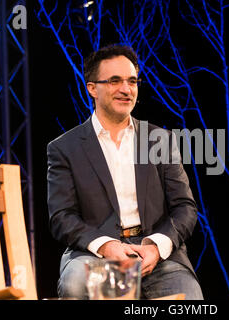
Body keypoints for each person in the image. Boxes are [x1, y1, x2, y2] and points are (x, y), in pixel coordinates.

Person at [46, 44, 203, 300]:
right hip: (96, 257)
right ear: (92, 88)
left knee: (189, 296)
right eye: (115, 81)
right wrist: (107, 246)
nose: (126, 89)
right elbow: (62, 217)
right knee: (78, 285)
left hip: (156, 258)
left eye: (132, 81)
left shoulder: (158, 140)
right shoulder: (65, 148)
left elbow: (185, 207)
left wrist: (155, 246)